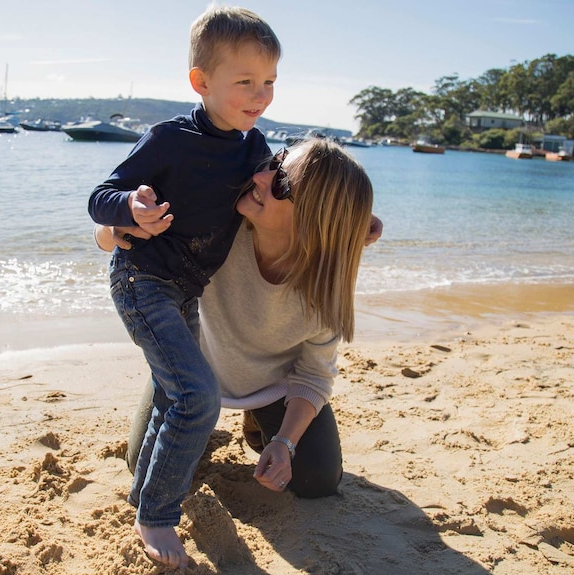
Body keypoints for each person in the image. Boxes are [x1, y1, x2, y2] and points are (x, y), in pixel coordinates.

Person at [98, 138, 376, 555]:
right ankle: (200, 418)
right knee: (140, 465)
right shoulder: (212, 225)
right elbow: (118, 239)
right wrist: (112, 229)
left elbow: (315, 374)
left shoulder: (324, 282)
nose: (261, 176)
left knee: (317, 480)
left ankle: (256, 422)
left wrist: (283, 443)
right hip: (189, 376)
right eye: (273, 162)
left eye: (282, 182)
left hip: (273, 385)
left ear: (315, 219)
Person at [87, 6, 281, 569]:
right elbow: (101, 194)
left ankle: (145, 494)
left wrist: (357, 220)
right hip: (141, 279)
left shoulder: (253, 147)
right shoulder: (168, 139)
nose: (260, 93)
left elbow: (294, 187)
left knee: (179, 395)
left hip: (186, 290)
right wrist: (129, 208)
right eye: (244, 81)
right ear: (201, 82)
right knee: (198, 395)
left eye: (268, 81)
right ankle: (156, 513)